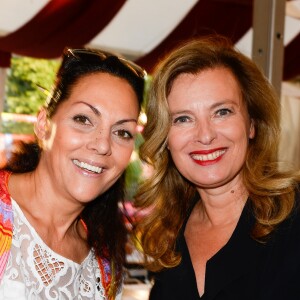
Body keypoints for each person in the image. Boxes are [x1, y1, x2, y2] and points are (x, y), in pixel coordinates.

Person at [133, 36, 300, 300]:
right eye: (183, 118)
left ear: (252, 124)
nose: (205, 135)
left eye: (222, 112)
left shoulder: (293, 216)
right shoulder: (169, 238)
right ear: (165, 138)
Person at [0, 47, 146, 299]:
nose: (102, 145)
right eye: (83, 119)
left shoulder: (105, 266)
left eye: (122, 132)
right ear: (44, 125)